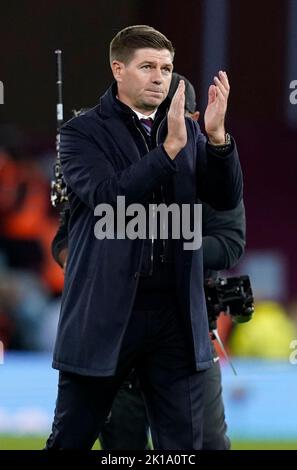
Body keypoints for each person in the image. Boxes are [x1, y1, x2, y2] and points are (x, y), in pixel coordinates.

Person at [46, 25, 243, 450]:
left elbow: (226, 198)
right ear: (118, 69)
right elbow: (107, 198)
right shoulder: (80, 134)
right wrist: (167, 152)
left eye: (167, 68)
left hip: (175, 314)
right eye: (148, 67)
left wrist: (216, 138)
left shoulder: (188, 131)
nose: (160, 77)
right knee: (72, 440)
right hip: (106, 313)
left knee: (184, 449)